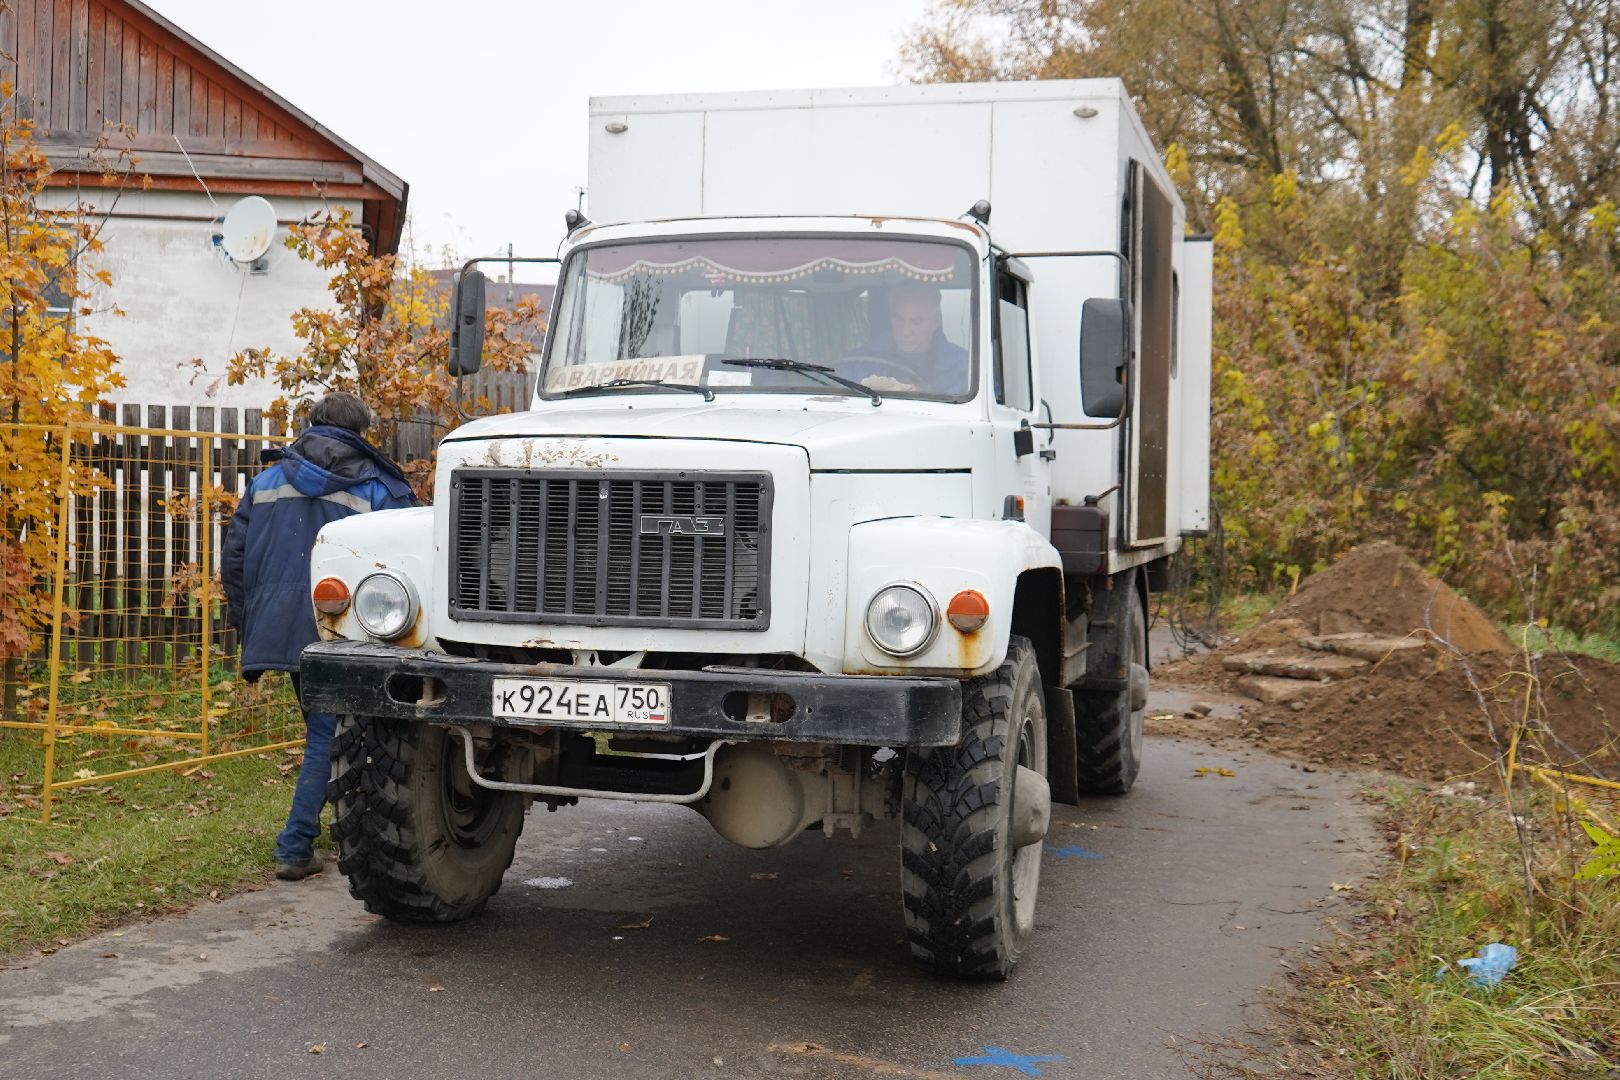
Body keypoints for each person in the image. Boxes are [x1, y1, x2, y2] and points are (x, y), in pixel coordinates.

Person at [222, 392, 415, 881]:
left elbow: (235, 561)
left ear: (310, 424)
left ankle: (337, 829)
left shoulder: (265, 481)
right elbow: (409, 557)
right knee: (328, 736)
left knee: (326, 733)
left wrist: (250, 623)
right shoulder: (379, 486)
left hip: (278, 626)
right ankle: (294, 846)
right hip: (343, 630)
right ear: (364, 432)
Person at [843, 282, 971, 395]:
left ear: (936, 321)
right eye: (898, 319)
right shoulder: (856, 362)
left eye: (916, 321)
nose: (906, 331)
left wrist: (924, 394)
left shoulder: (965, 367)